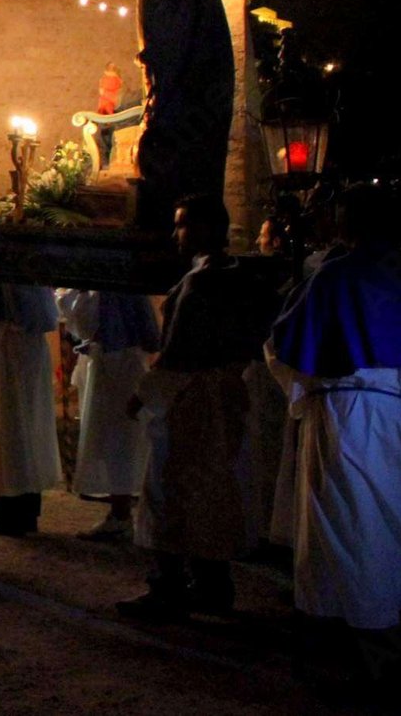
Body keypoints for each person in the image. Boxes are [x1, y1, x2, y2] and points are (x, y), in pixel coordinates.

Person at [269, 184, 401, 632]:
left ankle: (369, 645)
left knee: (359, 536)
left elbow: (287, 348)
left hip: (351, 422)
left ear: (347, 221)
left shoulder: (337, 274)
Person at [117, 194, 273, 621]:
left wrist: (142, 395)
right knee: (212, 493)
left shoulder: (200, 283)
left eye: (182, 223)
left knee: (168, 490)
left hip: (193, 400)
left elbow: (177, 353)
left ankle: (167, 587)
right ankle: (211, 586)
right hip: (229, 398)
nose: (176, 233)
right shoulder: (240, 276)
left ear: (206, 228)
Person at [0, 265, 62, 536]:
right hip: (29, 354)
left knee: (8, 436)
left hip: (6, 357)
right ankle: (27, 512)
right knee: (28, 432)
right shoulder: (32, 270)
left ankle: (11, 515)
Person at [59, 290, 160, 540]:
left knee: (117, 439)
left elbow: (83, 322)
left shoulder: (107, 293)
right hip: (120, 362)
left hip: (116, 366)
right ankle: (121, 510)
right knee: (117, 439)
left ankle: (121, 514)